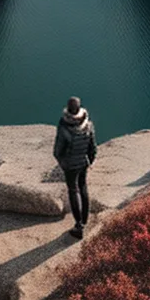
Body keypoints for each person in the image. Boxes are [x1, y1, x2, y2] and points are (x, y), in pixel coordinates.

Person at [53, 96, 97, 239]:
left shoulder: (64, 127)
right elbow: (93, 148)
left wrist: (64, 164)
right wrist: (89, 160)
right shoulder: (88, 125)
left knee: (73, 190)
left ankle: (79, 226)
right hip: (83, 163)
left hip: (70, 165)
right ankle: (84, 220)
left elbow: (57, 151)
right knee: (83, 187)